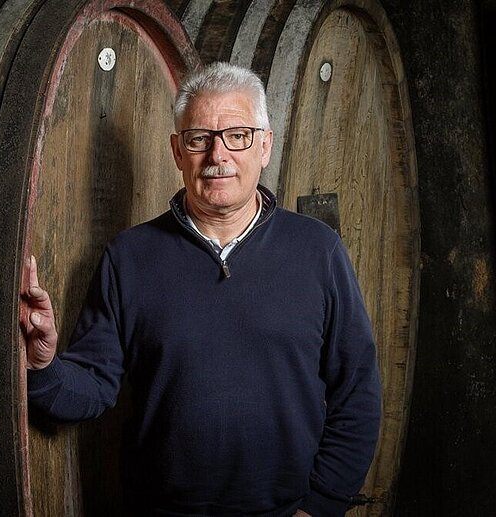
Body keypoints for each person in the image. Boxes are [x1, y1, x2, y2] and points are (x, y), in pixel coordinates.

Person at [21, 62, 381, 516]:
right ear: (178, 151)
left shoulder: (317, 250)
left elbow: (357, 392)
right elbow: (92, 387)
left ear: (265, 146)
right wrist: (43, 365)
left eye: (238, 136)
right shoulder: (129, 257)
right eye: (199, 139)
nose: (218, 154)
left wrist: (321, 505)